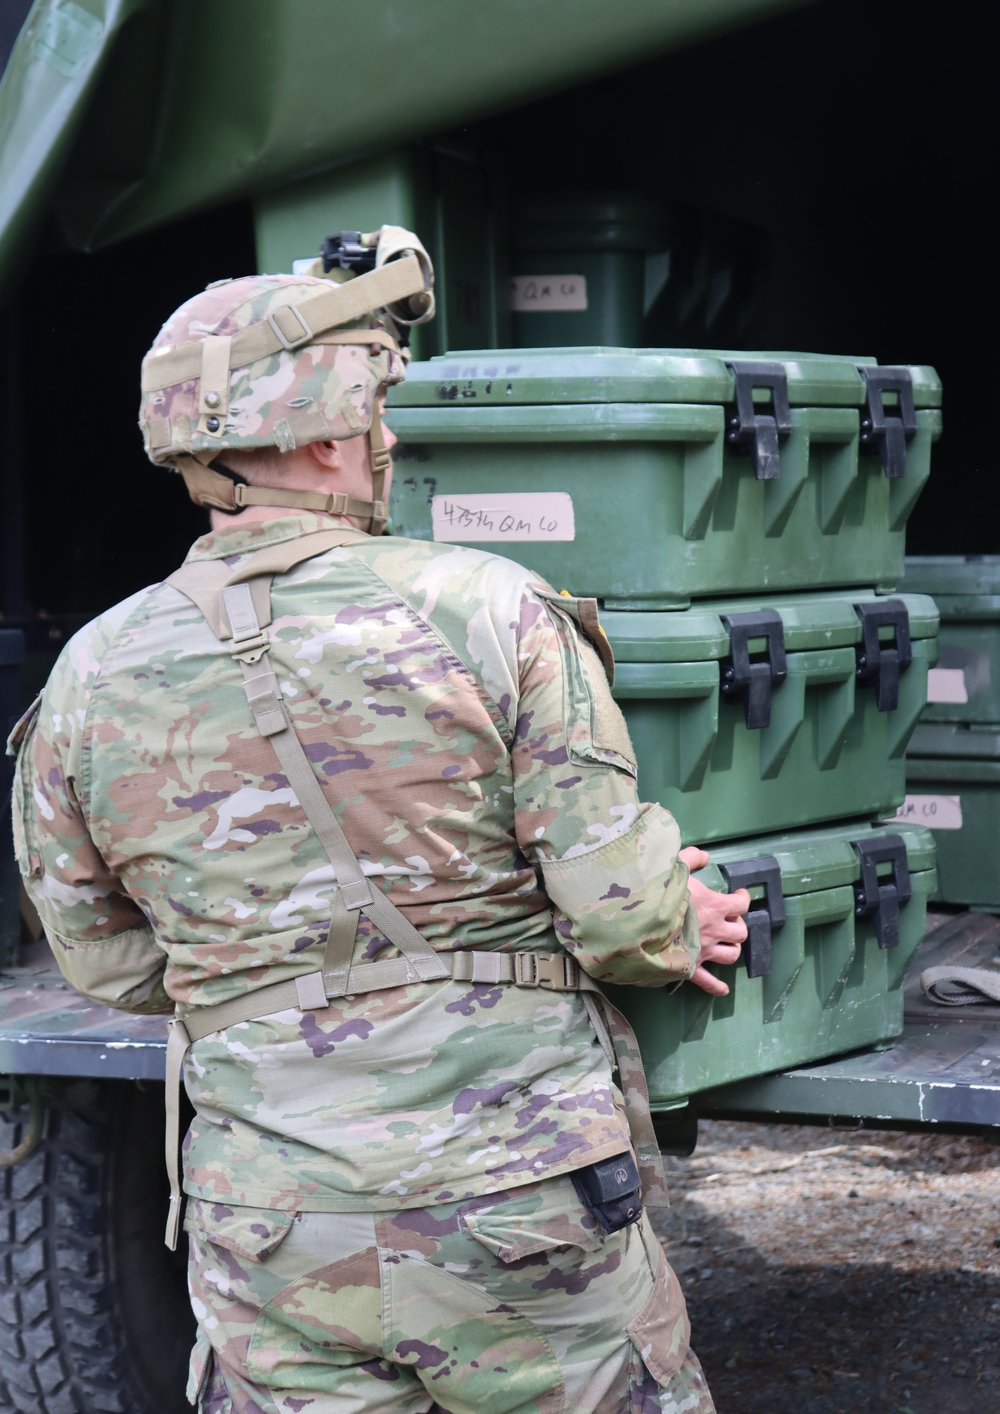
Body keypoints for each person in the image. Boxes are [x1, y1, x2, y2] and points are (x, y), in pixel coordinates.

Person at [9, 227, 750, 1414]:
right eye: (370, 417)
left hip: (269, 1220)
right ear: (321, 437)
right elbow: (622, 922)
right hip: (514, 1196)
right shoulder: (487, 609)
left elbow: (102, 956)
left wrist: (268, 963)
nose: (384, 441)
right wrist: (681, 917)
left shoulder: (93, 670)